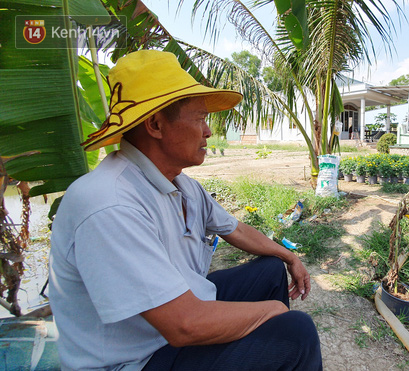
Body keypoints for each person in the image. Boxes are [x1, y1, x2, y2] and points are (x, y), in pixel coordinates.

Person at [49, 50, 322, 370]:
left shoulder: (183, 185)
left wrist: (288, 256)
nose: (208, 132)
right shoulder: (108, 203)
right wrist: (274, 312)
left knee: (270, 270)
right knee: (296, 332)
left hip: (165, 328)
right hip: (136, 359)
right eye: (199, 118)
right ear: (155, 124)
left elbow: (236, 229)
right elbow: (184, 324)